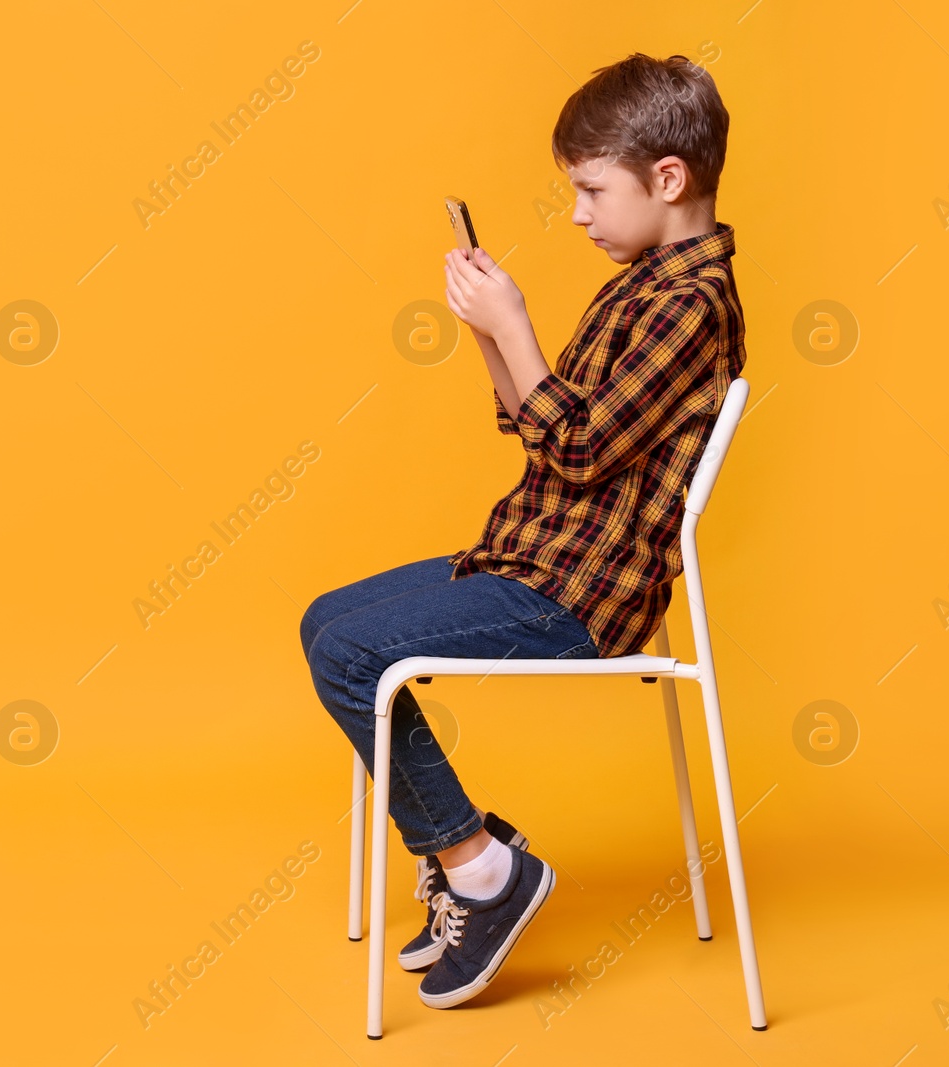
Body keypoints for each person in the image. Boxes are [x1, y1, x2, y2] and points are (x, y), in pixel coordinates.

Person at [299, 52, 745, 1011]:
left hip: (580, 596)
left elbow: (578, 450)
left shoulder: (690, 305)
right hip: (534, 554)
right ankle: (466, 861)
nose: (578, 213)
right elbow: (540, 430)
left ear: (668, 180)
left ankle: (484, 871)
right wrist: (489, 330)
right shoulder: (639, 284)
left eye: (591, 189)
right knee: (324, 621)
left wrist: (520, 323)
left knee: (350, 655)